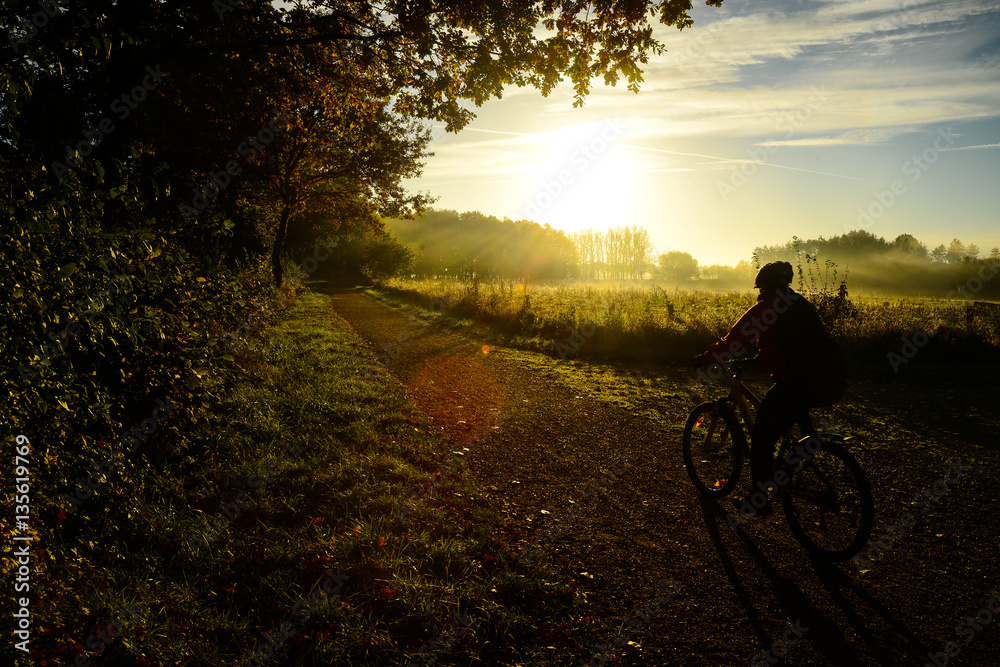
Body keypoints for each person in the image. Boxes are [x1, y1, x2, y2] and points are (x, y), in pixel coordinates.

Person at [692, 261, 846, 515]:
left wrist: (708, 358)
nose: (759, 291)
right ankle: (793, 464)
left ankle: (758, 500)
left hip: (801, 381)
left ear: (764, 285)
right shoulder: (800, 304)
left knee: (763, 435)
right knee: (792, 413)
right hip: (832, 379)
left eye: (760, 286)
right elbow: (796, 344)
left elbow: (735, 340)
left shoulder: (767, 308)